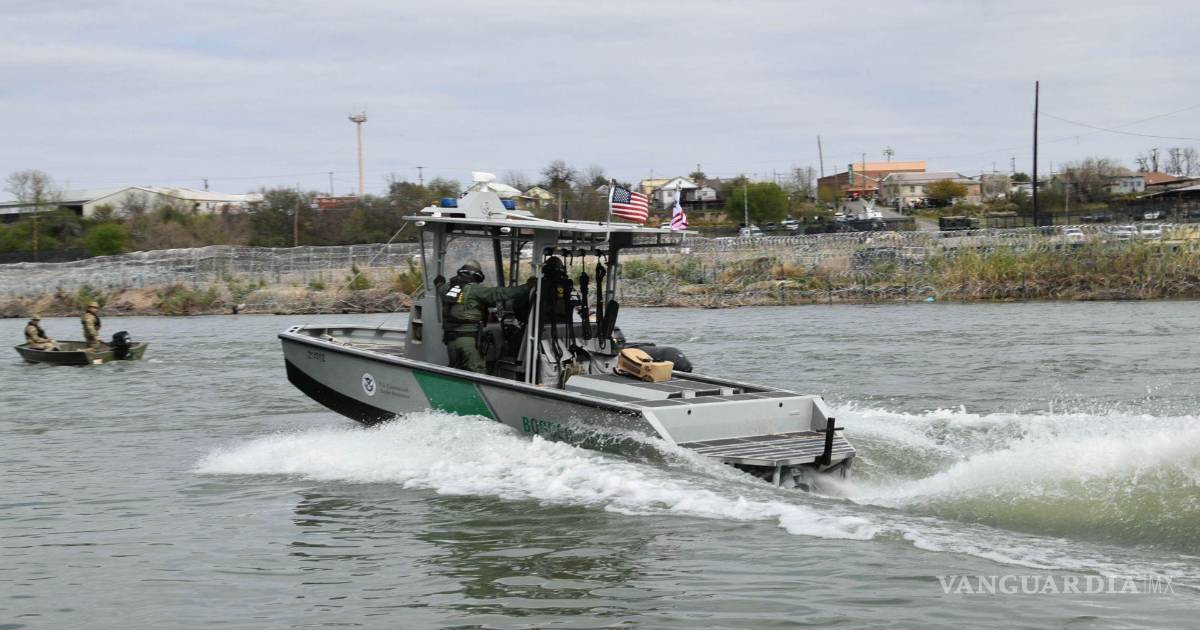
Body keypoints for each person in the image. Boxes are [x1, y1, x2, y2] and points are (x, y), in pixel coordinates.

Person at [440, 260, 532, 374]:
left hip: (450, 340)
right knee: (477, 373)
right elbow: (500, 293)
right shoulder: (474, 289)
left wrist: (439, 282)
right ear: (475, 276)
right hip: (468, 339)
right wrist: (527, 287)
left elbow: (440, 287)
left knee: (455, 372)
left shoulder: (446, 288)